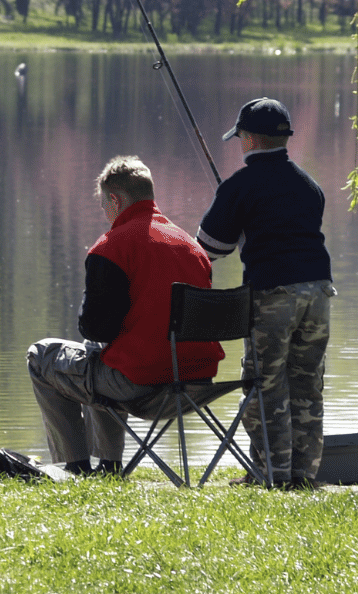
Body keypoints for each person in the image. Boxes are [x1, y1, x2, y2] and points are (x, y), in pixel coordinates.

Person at [27, 155, 222, 475]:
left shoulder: (111, 247)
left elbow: (95, 326)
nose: (104, 211)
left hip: (141, 386)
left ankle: (73, 466)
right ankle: (107, 465)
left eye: (103, 203)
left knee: (43, 355)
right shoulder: (192, 247)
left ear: (115, 199)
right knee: (99, 356)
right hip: (196, 383)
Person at [195, 97, 335, 489]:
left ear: (251, 139)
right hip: (320, 293)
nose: (239, 144)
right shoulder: (310, 186)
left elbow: (208, 249)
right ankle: (302, 476)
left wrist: (234, 219)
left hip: (274, 294)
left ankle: (271, 475)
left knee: (265, 386)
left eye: (240, 137)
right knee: (307, 384)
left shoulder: (240, 185)